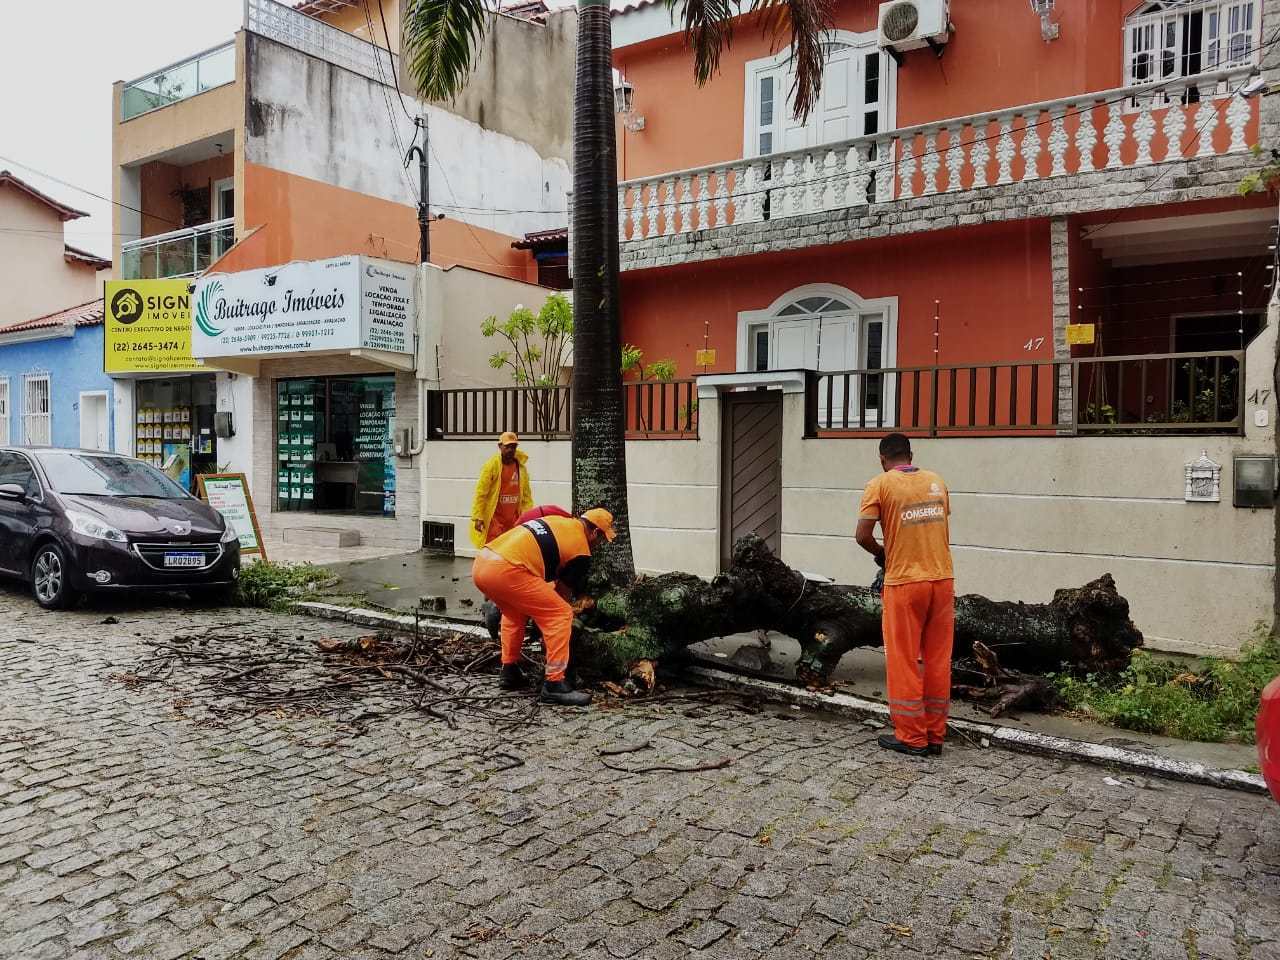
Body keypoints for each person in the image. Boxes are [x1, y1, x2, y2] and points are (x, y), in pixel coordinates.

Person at [855, 433, 954, 758]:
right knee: (938, 660)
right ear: (911, 455)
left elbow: (862, 535)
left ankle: (912, 736)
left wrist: (881, 553)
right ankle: (935, 735)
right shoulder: (936, 481)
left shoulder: (880, 484)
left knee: (903, 659)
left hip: (904, 583)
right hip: (942, 580)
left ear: (882, 459)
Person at [472, 508, 617, 706]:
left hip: (482, 563)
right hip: (508, 570)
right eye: (601, 540)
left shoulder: (559, 522)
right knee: (560, 615)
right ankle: (554, 684)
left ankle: (509, 670)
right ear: (595, 533)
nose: (599, 545)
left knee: (515, 613)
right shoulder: (581, 550)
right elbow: (561, 595)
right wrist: (552, 625)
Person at [482, 504, 573, 640]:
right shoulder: (574, 535)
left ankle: (497, 605)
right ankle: (497, 607)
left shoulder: (570, 524)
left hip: (528, 528)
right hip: (536, 534)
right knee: (539, 590)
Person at [470, 432, 534, 549]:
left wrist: (528, 516)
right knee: (494, 549)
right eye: (507, 446)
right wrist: (478, 516)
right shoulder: (491, 466)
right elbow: (481, 493)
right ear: (500, 446)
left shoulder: (521, 468)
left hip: (513, 520)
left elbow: (526, 497)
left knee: (512, 550)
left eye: (513, 447)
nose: (510, 450)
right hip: (495, 520)